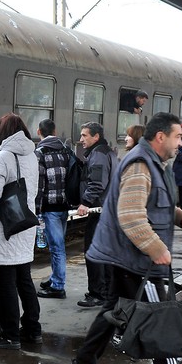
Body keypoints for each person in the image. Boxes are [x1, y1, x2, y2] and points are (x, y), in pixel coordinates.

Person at [69, 112, 182, 364]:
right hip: (137, 258)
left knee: (113, 310)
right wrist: (156, 248)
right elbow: (131, 215)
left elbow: (151, 201)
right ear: (160, 137)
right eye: (177, 137)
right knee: (159, 318)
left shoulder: (151, 163)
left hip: (128, 255)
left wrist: (179, 216)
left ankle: (84, 362)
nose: (181, 143)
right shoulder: (139, 164)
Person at [0, 113, 41, 350]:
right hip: (23, 224)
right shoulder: (31, 155)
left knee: (5, 284)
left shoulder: (2, 157)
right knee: (24, 280)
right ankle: (33, 329)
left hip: (3, 228)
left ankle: (11, 335)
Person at [75, 122, 118, 308]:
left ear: (96, 137)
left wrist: (85, 202)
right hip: (107, 209)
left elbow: (97, 183)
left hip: (99, 210)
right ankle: (107, 291)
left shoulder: (98, 155)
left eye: (85, 136)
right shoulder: (107, 152)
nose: (81, 139)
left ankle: (97, 293)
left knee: (93, 253)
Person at [34, 119, 71, 300]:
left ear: (39, 131)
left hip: (49, 207)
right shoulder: (66, 150)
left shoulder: (40, 152)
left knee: (57, 248)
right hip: (64, 205)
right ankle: (55, 277)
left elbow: (40, 185)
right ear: (54, 131)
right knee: (58, 245)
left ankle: (58, 286)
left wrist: (37, 209)